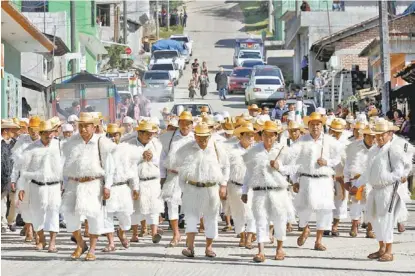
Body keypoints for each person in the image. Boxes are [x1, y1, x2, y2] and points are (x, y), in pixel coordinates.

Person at [350, 119, 411, 262]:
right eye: (377, 135)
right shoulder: (373, 151)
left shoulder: (394, 150)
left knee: (387, 221)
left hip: (387, 190)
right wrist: (357, 184)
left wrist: (385, 178)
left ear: (389, 134)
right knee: (375, 220)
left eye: (382, 134)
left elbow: (399, 172)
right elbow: (367, 172)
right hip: (375, 190)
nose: (379, 137)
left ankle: (389, 250)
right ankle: (381, 247)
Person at [61, 112, 115, 261]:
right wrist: (63, 184)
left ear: (94, 127)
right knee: (70, 217)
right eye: (81, 126)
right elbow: (64, 164)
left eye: (87, 126)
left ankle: (92, 249)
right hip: (73, 183)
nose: (83, 129)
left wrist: (108, 186)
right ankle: (80, 243)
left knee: (94, 218)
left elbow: (109, 167)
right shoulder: (71, 142)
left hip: (93, 183)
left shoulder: (102, 142)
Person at [171, 122, 229, 258]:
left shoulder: (217, 147)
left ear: (209, 136)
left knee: (211, 218)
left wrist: (223, 184)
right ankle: (190, 247)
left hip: (211, 188)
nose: (203, 141)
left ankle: (209, 247)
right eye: (200, 137)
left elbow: (226, 166)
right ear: (195, 136)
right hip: (192, 188)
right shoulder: (185, 149)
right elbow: (179, 168)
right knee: (190, 218)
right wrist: (184, 188)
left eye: (205, 137)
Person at [242, 120, 295, 262]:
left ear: (276, 136)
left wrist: (280, 167)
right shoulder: (253, 151)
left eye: (272, 135)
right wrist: (245, 190)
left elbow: (293, 169)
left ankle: (279, 249)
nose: (269, 138)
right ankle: (261, 251)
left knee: (280, 219)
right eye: (266, 135)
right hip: (259, 191)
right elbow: (248, 172)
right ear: (261, 135)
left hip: (278, 191)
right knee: (260, 220)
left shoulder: (284, 150)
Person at [289, 112, 341, 251]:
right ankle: (305, 228)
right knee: (302, 207)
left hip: (324, 179)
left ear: (322, 125)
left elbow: (338, 158)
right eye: (312, 124)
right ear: (308, 126)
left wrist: (327, 162)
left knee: (324, 209)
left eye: (318, 124)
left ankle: (318, 241)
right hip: (306, 178)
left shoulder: (330, 140)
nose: (315, 127)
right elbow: (294, 161)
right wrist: (294, 179)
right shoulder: (301, 141)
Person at [17, 119, 62, 252]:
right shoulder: (31, 148)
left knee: (53, 213)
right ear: (40, 133)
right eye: (45, 133)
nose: (48, 136)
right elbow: (24, 170)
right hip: (36, 186)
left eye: (50, 133)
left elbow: (65, 167)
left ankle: (53, 243)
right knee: (37, 214)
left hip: (54, 186)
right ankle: (41, 239)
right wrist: (21, 187)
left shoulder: (59, 146)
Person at [159, 111, 195, 247]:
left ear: (192, 125)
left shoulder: (195, 138)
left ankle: (189, 234)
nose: (185, 126)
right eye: (183, 123)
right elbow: (162, 157)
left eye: (188, 123)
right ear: (179, 123)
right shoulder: (170, 137)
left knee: (191, 206)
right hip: (173, 175)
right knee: (171, 204)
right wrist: (162, 177)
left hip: (190, 177)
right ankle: (176, 234)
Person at [101, 124, 137, 251]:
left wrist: (135, 187)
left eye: (115, 135)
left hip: (123, 187)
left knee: (127, 216)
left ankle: (122, 232)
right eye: (109, 135)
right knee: (107, 216)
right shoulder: (103, 150)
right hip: (108, 188)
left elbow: (133, 168)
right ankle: (111, 243)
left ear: (120, 136)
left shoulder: (127, 150)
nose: (112, 138)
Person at [127, 121, 164, 244]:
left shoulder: (156, 144)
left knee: (154, 208)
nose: (149, 136)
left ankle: (154, 233)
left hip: (153, 180)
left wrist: (152, 157)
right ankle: (134, 234)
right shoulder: (130, 144)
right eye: (147, 134)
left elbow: (161, 161)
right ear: (139, 133)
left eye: (151, 134)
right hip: (137, 180)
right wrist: (140, 157)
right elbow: (128, 163)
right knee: (135, 208)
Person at [11, 116, 41, 240]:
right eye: (31, 129)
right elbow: (16, 161)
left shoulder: (45, 141)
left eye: (36, 129)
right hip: (24, 177)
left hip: (39, 178)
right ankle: (28, 229)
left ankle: (37, 230)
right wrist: (13, 179)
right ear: (28, 129)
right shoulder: (22, 140)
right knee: (25, 204)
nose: (33, 131)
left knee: (38, 205)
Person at [344, 125, 376, 239]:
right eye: (370, 137)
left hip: (373, 180)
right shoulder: (353, 147)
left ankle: (370, 228)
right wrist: (346, 180)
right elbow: (348, 164)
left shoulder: (379, 148)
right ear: (365, 135)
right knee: (355, 203)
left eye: (374, 137)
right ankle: (354, 225)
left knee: (372, 204)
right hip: (356, 179)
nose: (372, 139)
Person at [227, 123, 256, 248]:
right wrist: (223, 185)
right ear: (240, 136)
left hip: (252, 187)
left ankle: (249, 238)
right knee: (237, 213)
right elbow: (226, 168)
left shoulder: (257, 150)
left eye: (252, 135)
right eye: (247, 135)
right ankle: (242, 236)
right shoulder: (232, 151)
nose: (251, 138)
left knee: (251, 212)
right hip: (234, 185)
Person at [326, 118, 350, 237]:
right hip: (327, 175)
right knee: (326, 201)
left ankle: (335, 226)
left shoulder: (347, 142)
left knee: (340, 200)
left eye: (338, 131)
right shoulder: (325, 141)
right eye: (334, 130)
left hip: (341, 174)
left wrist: (347, 177)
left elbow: (349, 161)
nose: (336, 133)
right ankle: (326, 224)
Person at [1, 119, 20, 233]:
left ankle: (11, 221)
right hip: (1, 176)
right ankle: (2, 223)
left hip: (14, 176)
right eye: (12, 130)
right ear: (6, 131)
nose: (15, 132)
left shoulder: (15, 144)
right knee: (2, 200)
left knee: (15, 200)